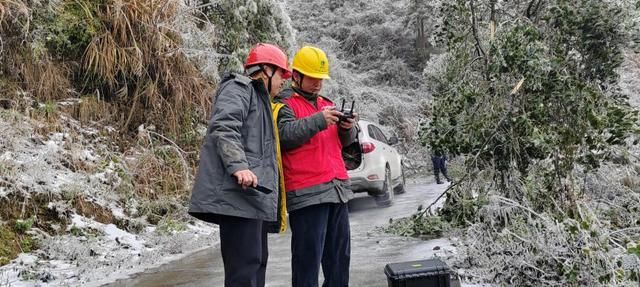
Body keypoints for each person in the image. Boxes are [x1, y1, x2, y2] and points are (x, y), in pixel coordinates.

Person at [188, 43, 291, 287]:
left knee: (256, 264)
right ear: (266, 70)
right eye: (280, 75)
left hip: (252, 198)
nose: (282, 83)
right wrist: (238, 166)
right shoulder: (238, 88)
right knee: (243, 272)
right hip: (238, 198)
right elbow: (224, 127)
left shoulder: (262, 101)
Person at [275, 45, 357, 287]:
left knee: (339, 263)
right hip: (307, 193)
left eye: (321, 79)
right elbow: (284, 135)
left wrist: (347, 129)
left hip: (337, 189)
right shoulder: (284, 103)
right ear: (296, 76)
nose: (318, 83)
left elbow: (344, 144)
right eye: (313, 78)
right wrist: (319, 120)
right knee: (307, 264)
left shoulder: (327, 103)